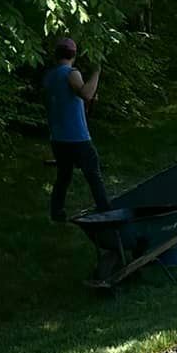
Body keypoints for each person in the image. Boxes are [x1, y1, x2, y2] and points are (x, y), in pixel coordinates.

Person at [43, 37, 113, 221]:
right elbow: (87, 93)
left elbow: (69, 99)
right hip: (77, 136)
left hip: (57, 137)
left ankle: (57, 213)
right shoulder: (71, 73)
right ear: (74, 54)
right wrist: (97, 72)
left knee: (63, 176)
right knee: (93, 173)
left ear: (56, 54)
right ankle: (106, 211)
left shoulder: (50, 76)